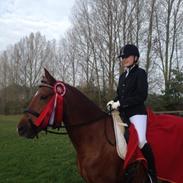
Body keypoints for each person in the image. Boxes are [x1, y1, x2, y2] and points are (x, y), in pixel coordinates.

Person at [107, 44, 158, 183]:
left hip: (137, 113)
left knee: (141, 140)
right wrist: (113, 102)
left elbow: (141, 95)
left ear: (135, 57)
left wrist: (121, 104)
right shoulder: (123, 76)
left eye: (127, 56)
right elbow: (120, 95)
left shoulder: (140, 73)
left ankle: (152, 173)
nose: (124, 59)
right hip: (123, 113)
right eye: (123, 57)